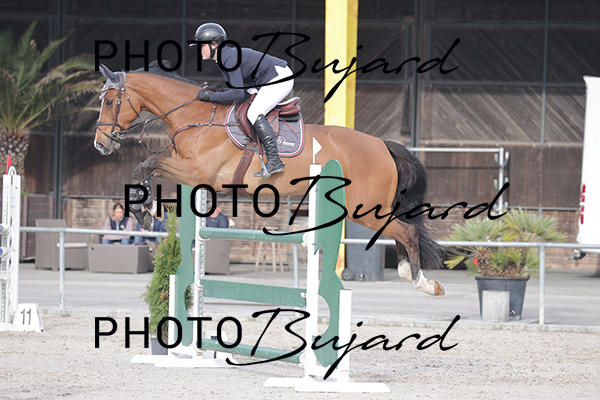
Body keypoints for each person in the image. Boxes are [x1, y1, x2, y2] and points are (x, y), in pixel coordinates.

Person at [191, 22, 293, 179]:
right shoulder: (223, 57)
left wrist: (210, 97)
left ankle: (274, 160)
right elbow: (238, 91)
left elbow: (238, 93)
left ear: (214, 44)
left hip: (279, 77)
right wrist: (218, 90)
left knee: (254, 112)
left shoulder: (228, 58)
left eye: (202, 45)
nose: (199, 50)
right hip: (264, 81)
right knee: (244, 105)